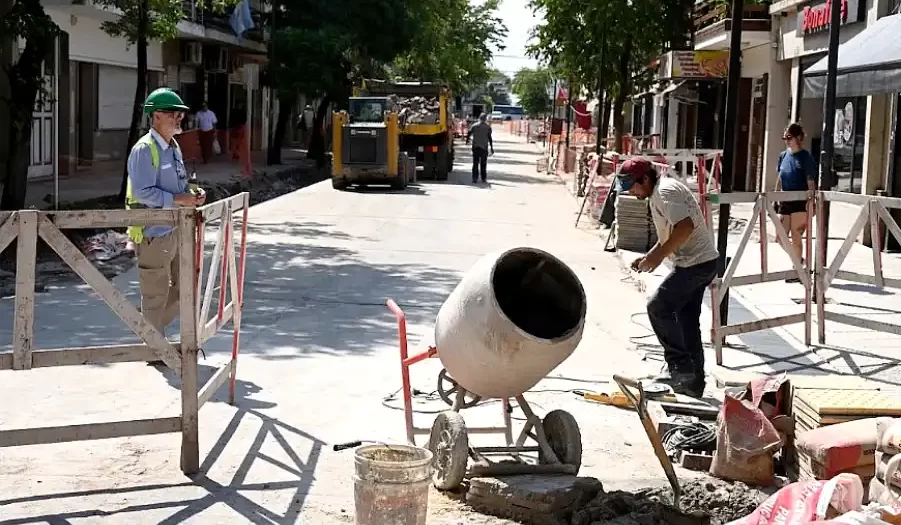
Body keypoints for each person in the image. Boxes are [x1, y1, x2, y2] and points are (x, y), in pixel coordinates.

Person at [620, 157, 719, 398]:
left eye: (633, 185)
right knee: (687, 322)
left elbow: (684, 227)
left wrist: (659, 256)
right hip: (699, 263)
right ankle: (693, 384)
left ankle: (680, 368)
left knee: (658, 307)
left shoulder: (665, 192)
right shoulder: (659, 193)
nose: (631, 192)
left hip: (695, 264)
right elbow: (670, 234)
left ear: (645, 178)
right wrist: (650, 256)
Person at [126, 87, 206, 366]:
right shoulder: (144, 150)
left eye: (180, 114)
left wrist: (193, 193)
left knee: (185, 286)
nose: (179, 119)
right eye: (174, 114)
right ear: (156, 115)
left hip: (177, 229)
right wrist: (177, 199)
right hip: (153, 232)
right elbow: (143, 192)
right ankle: (154, 346)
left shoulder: (173, 147)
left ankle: (149, 331)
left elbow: (180, 184)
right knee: (155, 291)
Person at [776, 122, 817, 283]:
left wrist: (811, 202)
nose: (786, 141)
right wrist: (775, 196)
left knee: (796, 236)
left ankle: (797, 271)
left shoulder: (805, 157)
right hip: (785, 200)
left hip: (801, 201)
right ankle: (799, 262)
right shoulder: (782, 156)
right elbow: (780, 177)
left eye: (789, 137)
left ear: (799, 138)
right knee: (780, 237)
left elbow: (811, 181)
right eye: (784, 137)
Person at [466, 113, 494, 183]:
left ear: (479, 118)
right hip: (484, 148)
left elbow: (469, 133)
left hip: (476, 147)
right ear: (485, 119)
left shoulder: (474, 126)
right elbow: (490, 138)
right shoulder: (488, 127)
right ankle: (483, 178)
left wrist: (467, 140)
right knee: (483, 164)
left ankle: (474, 178)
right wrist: (492, 147)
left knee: (475, 163)